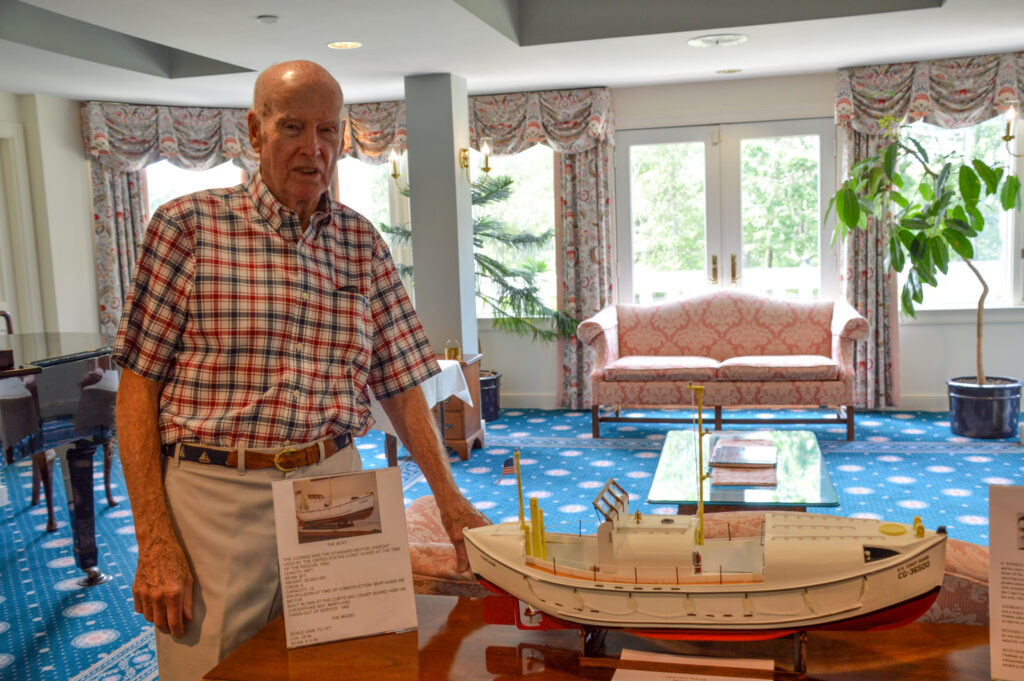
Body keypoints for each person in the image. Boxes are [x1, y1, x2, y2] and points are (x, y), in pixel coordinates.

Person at [113, 60, 490, 680]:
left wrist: (450, 500)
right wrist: (153, 538)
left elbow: (397, 383)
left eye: (327, 130)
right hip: (217, 494)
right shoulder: (186, 228)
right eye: (291, 128)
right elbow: (137, 388)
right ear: (255, 132)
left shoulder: (361, 244)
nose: (312, 149)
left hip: (336, 482)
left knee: (353, 663)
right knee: (217, 669)